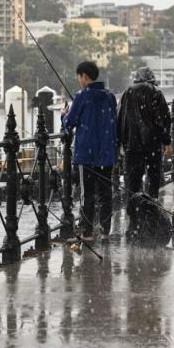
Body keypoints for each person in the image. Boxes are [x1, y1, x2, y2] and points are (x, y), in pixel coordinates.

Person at [62, 61, 117, 241]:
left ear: (84, 76)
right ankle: (105, 231)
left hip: (87, 155)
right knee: (106, 192)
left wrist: (64, 114)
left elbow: (69, 123)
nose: (79, 80)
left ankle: (86, 233)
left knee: (87, 194)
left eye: (79, 77)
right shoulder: (109, 97)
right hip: (107, 154)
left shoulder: (82, 96)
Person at [118, 67, 171, 197]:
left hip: (132, 144)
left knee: (133, 181)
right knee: (153, 178)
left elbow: (120, 118)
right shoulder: (155, 92)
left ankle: (134, 209)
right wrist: (166, 141)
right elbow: (163, 120)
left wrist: (120, 141)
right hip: (152, 143)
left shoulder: (127, 93)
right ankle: (151, 207)